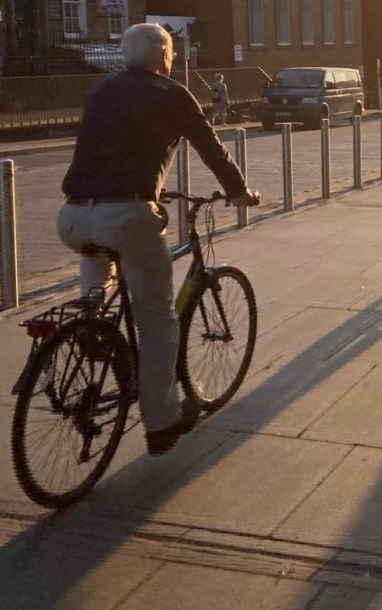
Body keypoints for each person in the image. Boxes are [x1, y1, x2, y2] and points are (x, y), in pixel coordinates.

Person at [58, 23, 260, 456]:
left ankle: (91, 326)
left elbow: (109, 149)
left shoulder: (101, 91)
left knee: (100, 264)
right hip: (126, 214)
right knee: (157, 320)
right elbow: (211, 147)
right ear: (164, 56)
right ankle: (162, 423)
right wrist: (238, 191)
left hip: (73, 215)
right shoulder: (170, 93)